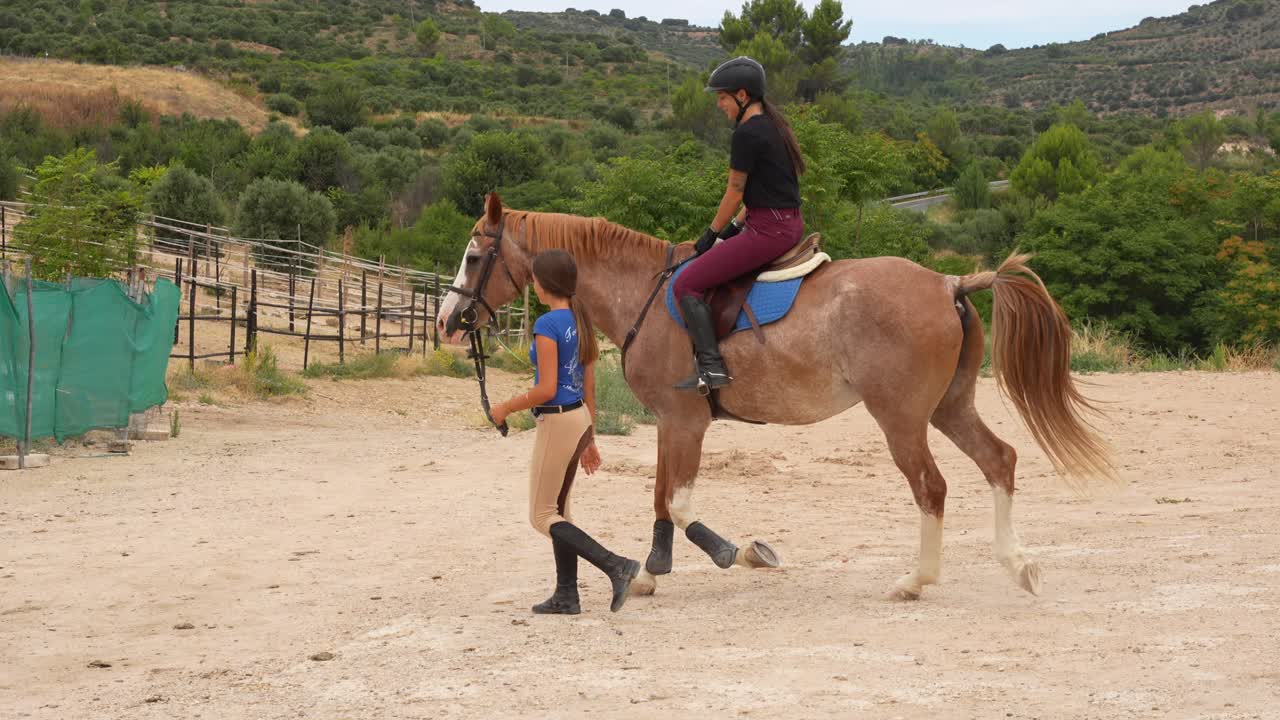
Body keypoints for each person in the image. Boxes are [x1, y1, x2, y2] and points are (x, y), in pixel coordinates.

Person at [490, 249, 641, 614]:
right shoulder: (580, 318)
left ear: (543, 284)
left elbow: (545, 389)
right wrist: (589, 435)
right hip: (578, 418)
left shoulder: (547, 325)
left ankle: (616, 565)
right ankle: (566, 595)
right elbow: (587, 383)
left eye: (535, 278)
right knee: (560, 511)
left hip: (557, 420)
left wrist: (506, 406)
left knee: (542, 516)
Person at [671, 56, 807, 393]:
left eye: (722, 97)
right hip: (783, 221)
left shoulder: (747, 134)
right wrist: (733, 228)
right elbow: (762, 192)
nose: (719, 105)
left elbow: (735, 191)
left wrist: (711, 234)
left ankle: (712, 367)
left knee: (685, 285)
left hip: (768, 231)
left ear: (742, 95)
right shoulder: (774, 126)